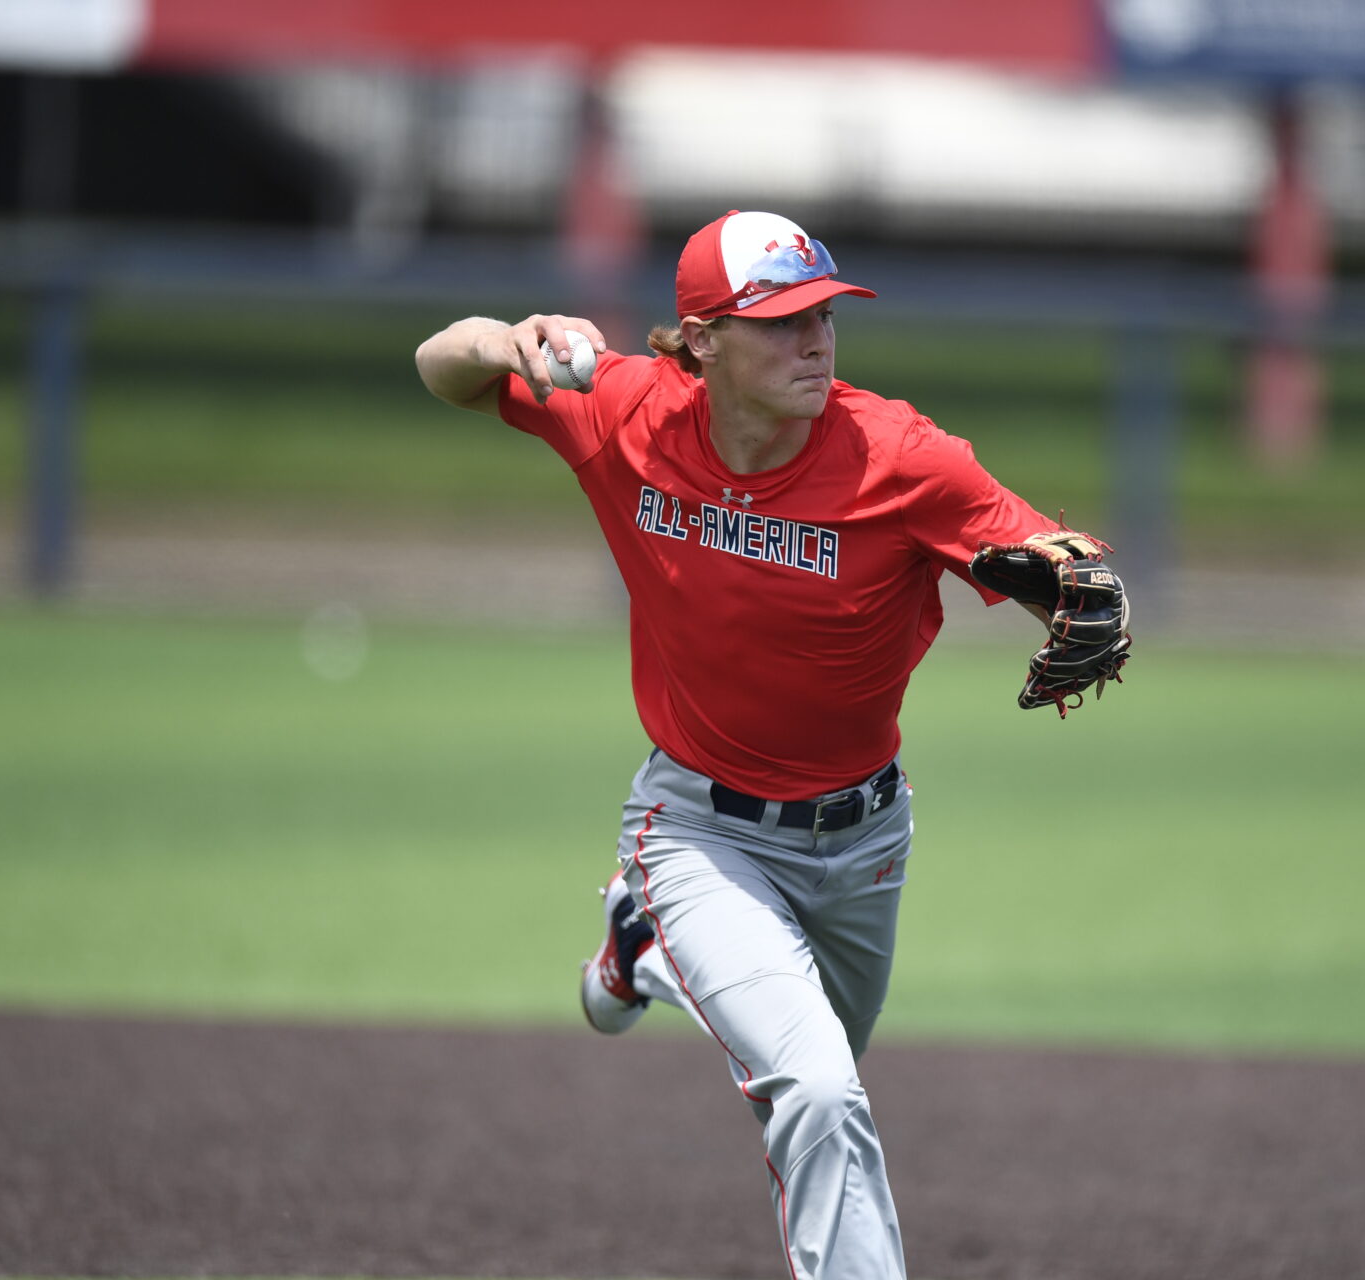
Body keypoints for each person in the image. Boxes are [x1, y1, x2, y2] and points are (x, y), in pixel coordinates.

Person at [414, 210, 1129, 1279]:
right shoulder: (625, 412)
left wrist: (1083, 594)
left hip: (865, 840)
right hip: (697, 827)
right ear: (700, 340)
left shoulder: (902, 459)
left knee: (827, 1066)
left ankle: (638, 944)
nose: (816, 340)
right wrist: (503, 338)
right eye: (783, 320)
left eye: (824, 315)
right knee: (818, 1088)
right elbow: (442, 364)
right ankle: (656, 911)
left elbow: (1055, 564)